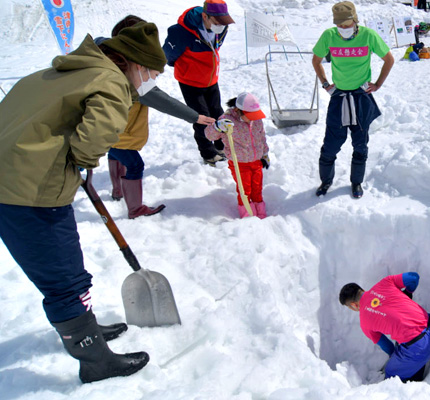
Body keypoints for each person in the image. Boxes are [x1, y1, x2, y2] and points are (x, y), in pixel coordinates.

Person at [0, 22, 168, 383]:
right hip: (28, 192)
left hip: (18, 180)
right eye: (151, 73)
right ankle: (94, 360)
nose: (149, 81)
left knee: (68, 265)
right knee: (61, 276)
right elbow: (97, 135)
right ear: (134, 64)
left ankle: (86, 327)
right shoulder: (111, 82)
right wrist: (79, 160)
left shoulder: (64, 72)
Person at [101, 15, 216, 219]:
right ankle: (135, 209)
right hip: (120, 131)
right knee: (135, 165)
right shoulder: (132, 73)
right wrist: (194, 116)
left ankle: (118, 190)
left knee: (114, 153)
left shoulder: (106, 56)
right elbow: (158, 99)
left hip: (110, 131)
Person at [311, 1, 395, 199]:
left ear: (355, 21)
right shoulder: (329, 36)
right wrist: (325, 83)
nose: (343, 29)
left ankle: (356, 182)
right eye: (339, 25)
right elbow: (316, 60)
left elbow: (389, 59)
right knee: (331, 144)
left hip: (360, 96)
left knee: (360, 143)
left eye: (347, 25)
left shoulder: (368, 35)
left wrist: (378, 84)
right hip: (339, 96)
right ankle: (326, 181)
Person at [164, 0, 235, 166]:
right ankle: (208, 153)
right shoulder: (181, 32)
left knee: (217, 113)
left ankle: (220, 145)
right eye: (217, 22)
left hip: (211, 79)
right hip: (190, 82)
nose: (221, 26)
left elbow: (215, 47)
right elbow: (168, 54)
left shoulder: (222, 27)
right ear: (205, 16)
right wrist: (186, 67)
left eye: (223, 22)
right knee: (202, 117)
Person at [339, 272, 430, 382]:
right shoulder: (385, 283)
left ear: (354, 305)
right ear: (362, 290)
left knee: (392, 374)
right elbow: (414, 277)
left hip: (419, 348)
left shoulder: (364, 323)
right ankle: (415, 362)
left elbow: (388, 347)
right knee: (402, 345)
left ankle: (414, 381)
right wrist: (407, 293)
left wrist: (395, 360)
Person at [205, 92, 270, 219]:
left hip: (256, 160)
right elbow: (209, 135)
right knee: (245, 190)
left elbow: (261, 137)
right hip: (239, 163)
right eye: (250, 115)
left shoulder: (256, 120)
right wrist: (217, 127)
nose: (253, 118)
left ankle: (260, 212)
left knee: (257, 188)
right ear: (238, 110)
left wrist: (265, 154)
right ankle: (247, 214)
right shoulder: (227, 121)